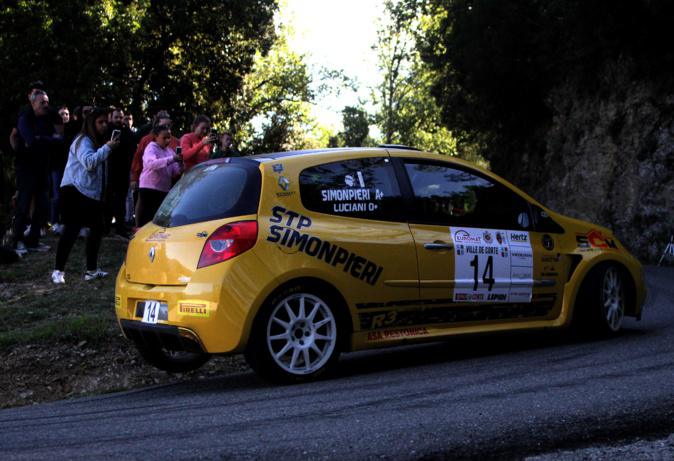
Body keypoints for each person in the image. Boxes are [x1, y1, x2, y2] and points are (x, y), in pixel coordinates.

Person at [51, 107, 120, 284]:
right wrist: (107, 148)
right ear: (91, 123)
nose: (104, 125)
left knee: (96, 230)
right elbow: (89, 163)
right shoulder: (83, 140)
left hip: (90, 193)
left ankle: (91, 270)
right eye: (100, 122)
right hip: (74, 191)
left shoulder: (97, 143)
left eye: (106, 122)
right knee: (71, 231)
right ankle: (58, 271)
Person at [13, 90, 62, 255]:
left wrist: (41, 139)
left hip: (43, 168)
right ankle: (17, 241)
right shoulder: (24, 119)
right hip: (26, 169)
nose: (46, 105)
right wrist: (46, 140)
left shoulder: (47, 120)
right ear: (33, 103)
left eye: (47, 102)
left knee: (42, 206)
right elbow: (30, 141)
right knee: (24, 205)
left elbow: (59, 141)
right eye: (43, 102)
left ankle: (33, 241)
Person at [129, 110, 179, 227]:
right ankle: (138, 230)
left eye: (169, 126)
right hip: (149, 185)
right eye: (164, 126)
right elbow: (146, 162)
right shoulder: (149, 143)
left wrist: (180, 163)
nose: (168, 140)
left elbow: (175, 171)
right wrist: (134, 178)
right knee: (146, 214)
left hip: (164, 188)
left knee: (158, 217)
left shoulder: (170, 148)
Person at [104, 107, 135, 239]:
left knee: (121, 201)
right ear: (111, 117)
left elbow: (133, 147)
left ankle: (120, 228)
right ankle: (105, 227)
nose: (118, 120)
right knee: (108, 201)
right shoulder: (106, 130)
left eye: (121, 117)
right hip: (110, 170)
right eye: (116, 117)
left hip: (123, 170)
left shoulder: (127, 131)